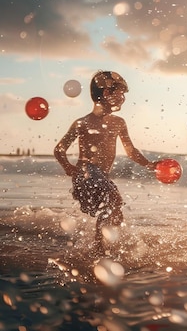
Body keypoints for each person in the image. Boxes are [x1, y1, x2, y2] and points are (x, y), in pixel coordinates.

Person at [54, 71, 157, 256]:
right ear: (107, 93)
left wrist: (150, 165)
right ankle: (99, 250)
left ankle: (105, 246)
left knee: (116, 214)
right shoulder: (82, 123)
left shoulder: (119, 123)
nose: (123, 98)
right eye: (120, 93)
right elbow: (59, 149)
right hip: (85, 175)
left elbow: (131, 151)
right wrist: (69, 168)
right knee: (113, 201)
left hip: (101, 177)